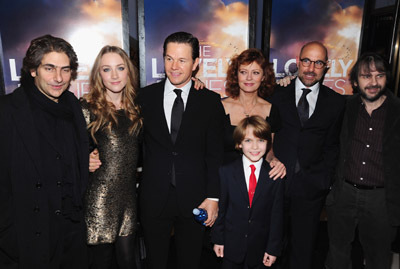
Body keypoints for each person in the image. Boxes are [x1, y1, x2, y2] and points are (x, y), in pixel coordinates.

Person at [137, 31, 225, 269]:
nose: (174, 67)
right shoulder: (143, 97)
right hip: (153, 198)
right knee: (154, 262)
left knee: (190, 261)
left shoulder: (209, 102)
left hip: (196, 199)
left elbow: (216, 154)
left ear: (196, 63)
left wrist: (213, 197)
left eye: (182, 60)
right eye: (169, 58)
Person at [0, 35, 89, 268]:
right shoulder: (8, 111)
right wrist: (9, 236)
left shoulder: (73, 107)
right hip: (28, 237)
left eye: (65, 70)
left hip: (71, 233)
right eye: (49, 68)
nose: (58, 78)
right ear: (33, 70)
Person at [268, 41, 345, 269]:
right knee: (271, 246)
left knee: (304, 250)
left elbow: (333, 145)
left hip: (311, 188)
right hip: (276, 183)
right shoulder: (276, 93)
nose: (311, 68)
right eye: (307, 61)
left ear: (326, 66)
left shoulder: (336, 102)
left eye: (318, 62)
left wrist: (324, 180)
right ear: (298, 62)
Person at [325, 52, 400, 269]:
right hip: (344, 193)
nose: (374, 82)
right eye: (367, 76)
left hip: (382, 199)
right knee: (338, 252)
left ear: (387, 78)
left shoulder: (397, 111)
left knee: (378, 257)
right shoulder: (345, 107)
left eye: (379, 75)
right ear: (356, 81)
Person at [81, 45, 142, 269]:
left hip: (128, 198)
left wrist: (196, 82)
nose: (114, 75)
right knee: (101, 262)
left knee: (128, 262)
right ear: (99, 74)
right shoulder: (87, 107)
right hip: (100, 199)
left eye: (120, 68)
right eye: (107, 69)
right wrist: (83, 161)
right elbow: (68, 150)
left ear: (129, 72)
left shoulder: (138, 107)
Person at [212, 116, 284, 268]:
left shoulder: (275, 176)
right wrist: (218, 239)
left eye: (261, 140)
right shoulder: (226, 172)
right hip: (231, 247)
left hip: (260, 250)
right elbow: (221, 209)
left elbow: (277, 216)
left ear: (268, 143)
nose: (255, 147)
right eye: (248, 141)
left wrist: (273, 249)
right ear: (239, 144)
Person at [222, 48, 286, 179]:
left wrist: (275, 161)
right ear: (236, 75)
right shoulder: (220, 107)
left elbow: (269, 151)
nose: (249, 78)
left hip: (256, 180)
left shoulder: (271, 110)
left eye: (255, 72)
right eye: (243, 72)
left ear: (263, 77)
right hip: (224, 179)